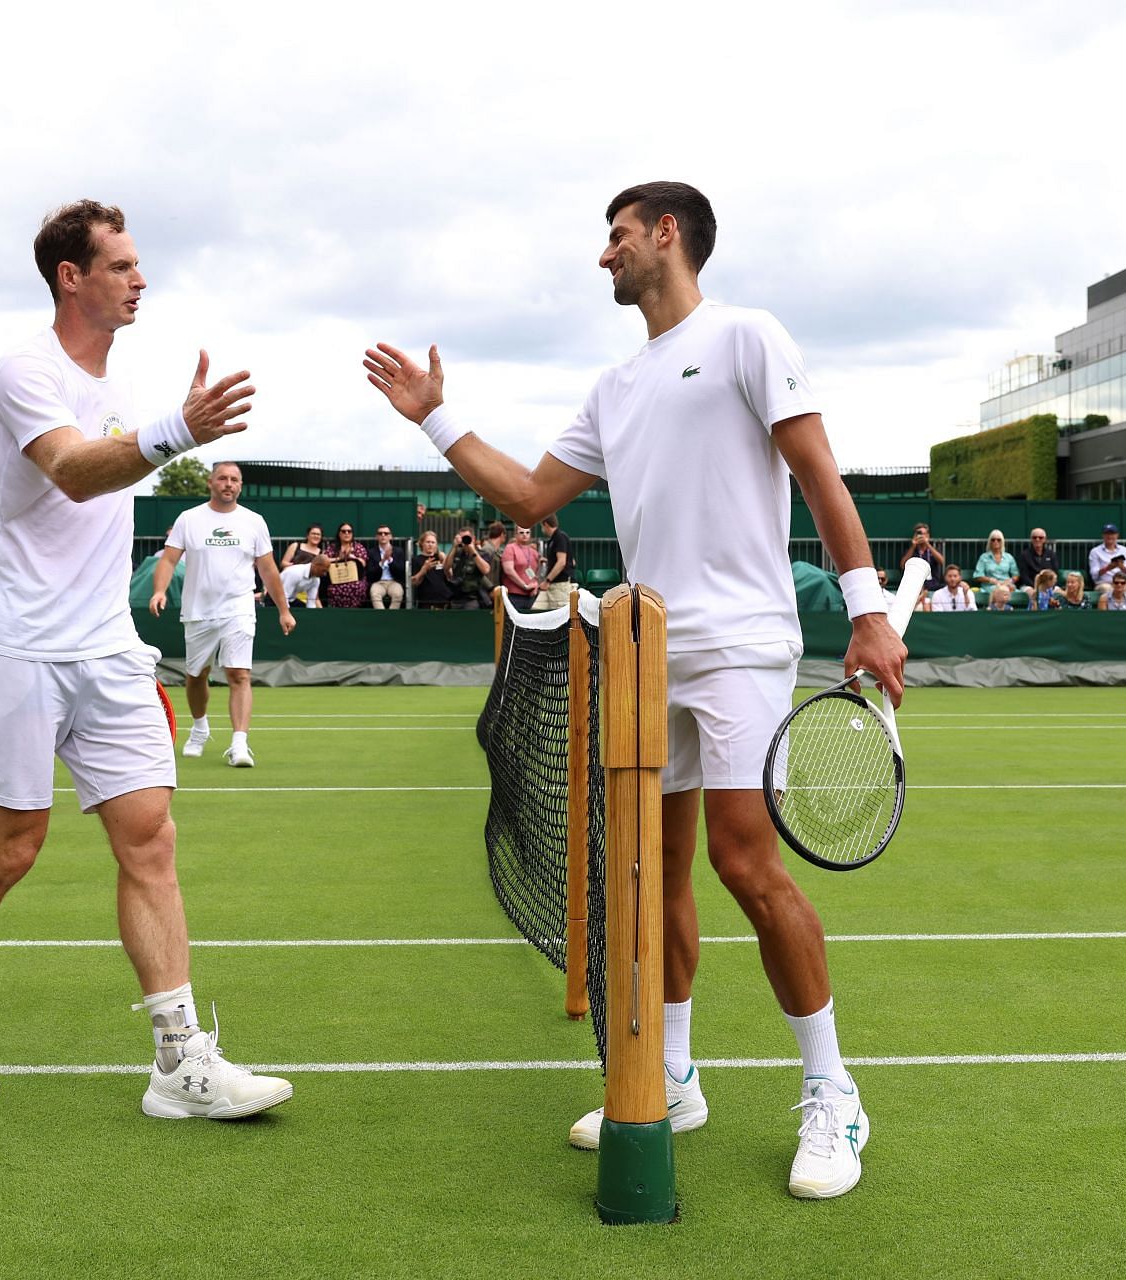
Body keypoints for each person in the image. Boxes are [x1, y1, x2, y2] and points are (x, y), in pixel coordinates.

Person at [364, 180, 908, 1199]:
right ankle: (672, 1072)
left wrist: (869, 608)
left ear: (668, 234)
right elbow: (528, 495)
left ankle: (834, 1089)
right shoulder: (614, 386)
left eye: (616, 234)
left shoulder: (748, 335)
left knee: (747, 863)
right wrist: (437, 417)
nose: (603, 254)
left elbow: (822, 474)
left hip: (743, 644)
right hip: (648, 649)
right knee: (652, 875)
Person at [0, 199, 288, 1120]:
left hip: (107, 651)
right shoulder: (26, 371)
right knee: (8, 854)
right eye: (122, 266)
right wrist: (179, 432)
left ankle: (181, 1062)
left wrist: (164, 430)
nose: (141, 279)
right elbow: (70, 467)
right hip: (17, 649)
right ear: (72, 276)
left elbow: (108, 463)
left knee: (151, 839)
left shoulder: (120, 389)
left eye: (139, 267)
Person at [149, 460, 296, 768]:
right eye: (222, 478)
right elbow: (168, 560)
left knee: (239, 674)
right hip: (198, 611)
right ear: (211, 483)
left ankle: (239, 744)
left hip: (239, 608)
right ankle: (200, 728)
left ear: (240, 486)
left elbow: (267, 569)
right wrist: (160, 590)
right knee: (196, 675)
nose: (228, 483)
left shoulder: (254, 521)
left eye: (234, 479)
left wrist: (284, 610)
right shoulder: (189, 519)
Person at [279, 524, 329, 608]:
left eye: (318, 534)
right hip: (277, 597)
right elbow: (284, 596)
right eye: (313, 533)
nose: (324, 574)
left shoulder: (316, 579)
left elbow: (311, 601)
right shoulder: (294, 572)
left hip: (293, 597)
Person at [323, 523, 369, 609]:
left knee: (358, 587)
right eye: (343, 531)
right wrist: (339, 558)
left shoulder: (358, 547)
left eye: (349, 531)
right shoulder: (332, 547)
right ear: (339, 534)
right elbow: (325, 560)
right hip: (337, 579)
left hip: (355, 579)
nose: (346, 533)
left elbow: (363, 563)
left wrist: (352, 557)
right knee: (333, 589)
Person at [535, 513, 575, 610]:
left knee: (560, 616)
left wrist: (547, 581)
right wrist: (549, 561)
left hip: (559, 586)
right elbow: (571, 561)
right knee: (537, 609)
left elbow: (561, 562)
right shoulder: (555, 539)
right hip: (554, 586)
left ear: (546, 524)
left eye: (541, 526)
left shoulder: (559, 537)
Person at [501, 523, 541, 610]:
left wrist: (536, 585)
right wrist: (524, 586)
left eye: (527, 532)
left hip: (531, 595)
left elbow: (536, 572)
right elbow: (508, 570)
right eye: (521, 532)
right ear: (516, 534)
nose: (525, 535)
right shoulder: (510, 548)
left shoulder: (533, 551)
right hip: (514, 595)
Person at [409, 530, 453, 609]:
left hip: (445, 600)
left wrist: (445, 561)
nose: (430, 545)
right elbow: (413, 582)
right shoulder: (416, 560)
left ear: (436, 545)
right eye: (428, 542)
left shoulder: (440, 558)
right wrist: (424, 570)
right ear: (422, 543)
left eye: (433, 542)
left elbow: (451, 576)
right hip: (427, 602)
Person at [368, 525, 405, 609]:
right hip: (378, 582)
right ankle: (382, 617)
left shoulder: (398, 551)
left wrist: (390, 560)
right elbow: (370, 572)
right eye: (380, 533)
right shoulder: (371, 552)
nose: (383, 535)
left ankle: (391, 618)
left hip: (394, 581)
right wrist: (382, 561)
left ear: (390, 536)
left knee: (398, 593)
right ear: (377, 537)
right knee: (374, 594)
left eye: (386, 533)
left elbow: (401, 571)